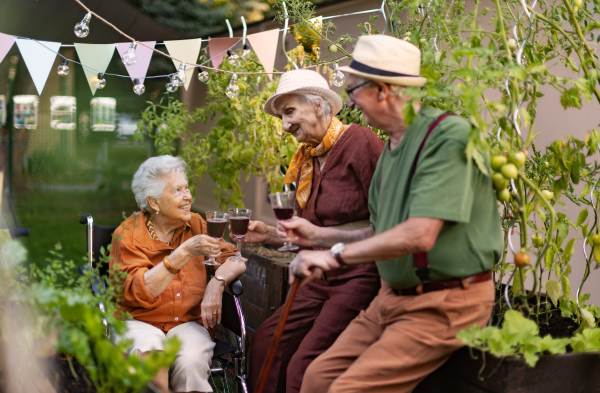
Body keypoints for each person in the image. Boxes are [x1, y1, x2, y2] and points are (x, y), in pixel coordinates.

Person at [278, 35, 503, 393]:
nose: (349, 104)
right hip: (391, 297)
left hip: (445, 302)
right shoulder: (391, 148)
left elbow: (418, 234)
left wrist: (335, 256)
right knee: (316, 379)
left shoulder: (446, 138)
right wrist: (320, 237)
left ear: (382, 90)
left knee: (345, 390)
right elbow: (384, 230)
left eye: (353, 92)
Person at [243, 69, 384, 393]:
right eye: (281, 116)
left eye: (289, 112)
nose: (285, 125)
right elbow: (311, 233)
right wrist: (268, 234)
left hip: (357, 274)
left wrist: (319, 238)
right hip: (316, 276)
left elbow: (388, 224)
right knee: (266, 342)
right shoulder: (308, 158)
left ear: (319, 106)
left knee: (303, 365)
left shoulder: (361, 142)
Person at [109, 155, 246, 393]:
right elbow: (141, 291)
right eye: (177, 190)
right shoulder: (129, 233)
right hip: (139, 320)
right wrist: (185, 252)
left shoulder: (197, 224)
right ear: (154, 203)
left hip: (188, 323)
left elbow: (236, 259)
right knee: (153, 364)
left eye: (187, 188)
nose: (188, 196)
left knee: (192, 363)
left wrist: (217, 283)